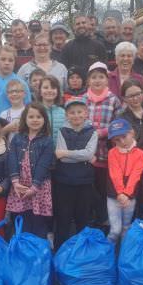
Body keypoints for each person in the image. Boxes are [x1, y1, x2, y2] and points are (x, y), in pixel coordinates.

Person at [53, 98, 97, 249]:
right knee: (63, 218)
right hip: (64, 181)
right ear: (67, 115)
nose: (76, 115)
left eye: (79, 112)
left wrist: (67, 152)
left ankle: (81, 251)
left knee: (82, 218)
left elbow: (89, 154)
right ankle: (60, 251)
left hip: (84, 182)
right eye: (72, 113)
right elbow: (63, 159)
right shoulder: (62, 131)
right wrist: (82, 156)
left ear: (86, 113)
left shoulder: (92, 132)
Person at [83, 61, 123, 228]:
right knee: (88, 191)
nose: (97, 80)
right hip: (87, 155)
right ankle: (89, 222)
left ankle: (105, 222)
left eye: (101, 77)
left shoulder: (113, 100)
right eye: (94, 77)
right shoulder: (82, 99)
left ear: (107, 80)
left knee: (103, 190)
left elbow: (119, 124)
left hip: (106, 155)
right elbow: (76, 122)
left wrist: (102, 132)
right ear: (88, 81)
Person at [6, 103, 54, 238]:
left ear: (44, 119)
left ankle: (38, 251)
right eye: (31, 116)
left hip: (38, 186)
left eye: (39, 116)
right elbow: (12, 160)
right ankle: (21, 249)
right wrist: (15, 182)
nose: (35, 119)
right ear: (25, 120)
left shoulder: (47, 140)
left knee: (38, 220)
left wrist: (34, 187)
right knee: (21, 218)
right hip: (19, 185)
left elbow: (43, 165)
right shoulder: (17, 138)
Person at [106, 118, 143, 244]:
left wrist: (127, 194)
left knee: (126, 227)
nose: (121, 142)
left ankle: (124, 256)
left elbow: (136, 175)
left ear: (132, 133)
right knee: (115, 230)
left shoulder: (141, 154)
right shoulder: (112, 152)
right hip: (114, 195)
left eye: (124, 136)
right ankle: (107, 254)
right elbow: (115, 173)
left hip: (130, 195)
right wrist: (120, 193)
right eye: (117, 140)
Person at [0, 45, 32, 120]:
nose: (7, 63)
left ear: (14, 62)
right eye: (3, 59)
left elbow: (28, 107)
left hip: (16, 127)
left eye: (10, 60)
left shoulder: (22, 84)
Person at [117, 79, 143, 150]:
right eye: (131, 96)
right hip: (132, 158)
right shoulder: (121, 118)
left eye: (138, 94)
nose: (135, 98)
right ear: (124, 98)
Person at [39, 75, 66, 146]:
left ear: (58, 91)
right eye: (45, 87)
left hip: (59, 153)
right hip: (39, 153)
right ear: (40, 91)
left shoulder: (63, 113)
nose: (49, 90)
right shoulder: (35, 111)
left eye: (53, 87)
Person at [0, 79, 26, 144]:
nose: (14, 94)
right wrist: (7, 129)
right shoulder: (3, 114)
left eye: (17, 91)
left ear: (24, 94)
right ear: (7, 95)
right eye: (11, 92)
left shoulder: (29, 111)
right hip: (8, 151)